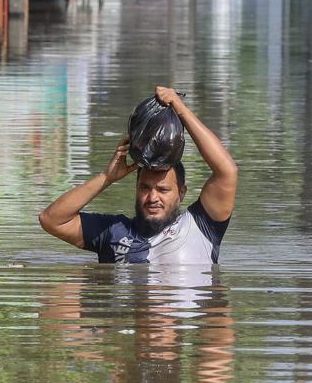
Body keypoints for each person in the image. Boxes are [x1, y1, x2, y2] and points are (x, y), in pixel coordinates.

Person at [38, 86, 237, 266]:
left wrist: (181, 109)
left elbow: (227, 171)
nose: (152, 198)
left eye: (163, 189)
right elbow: (51, 220)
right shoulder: (114, 231)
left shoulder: (201, 226)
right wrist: (107, 177)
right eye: (144, 188)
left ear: (181, 193)